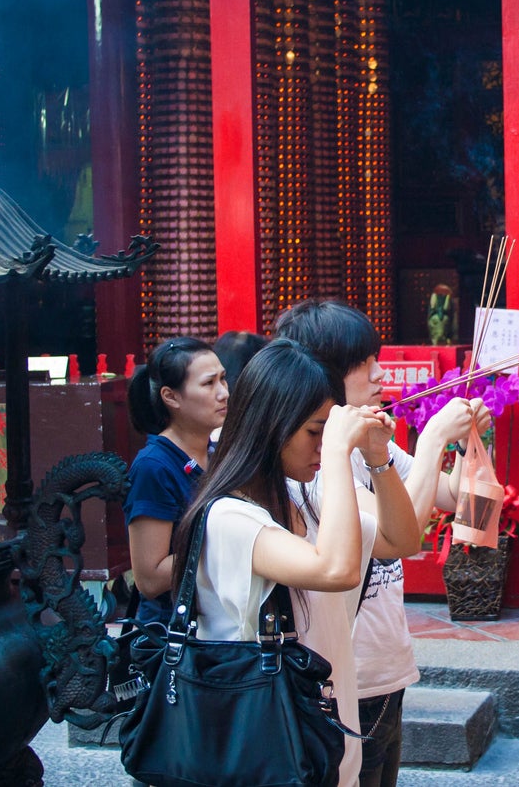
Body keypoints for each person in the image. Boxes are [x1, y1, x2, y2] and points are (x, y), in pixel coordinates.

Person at [170, 338, 416, 787]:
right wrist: (341, 452)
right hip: (268, 752)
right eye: (313, 432)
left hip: (323, 740)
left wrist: (378, 459)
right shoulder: (229, 518)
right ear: (272, 425)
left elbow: (400, 539)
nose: (322, 446)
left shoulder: (303, 501)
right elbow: (335, 571)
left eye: (328, 432)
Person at [274, 299, 492, 787]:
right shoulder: (313, 460)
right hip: (346, 675)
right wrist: (434, 437)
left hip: (387, 665)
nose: (379, 374)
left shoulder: (374, 441)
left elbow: (457, 500)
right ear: (320, 372)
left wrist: (472, 443)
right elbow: (399, 539)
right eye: (365, 363)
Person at [123, 336, 228, 626]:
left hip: (217, 627)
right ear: (171, 397)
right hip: (174, 638)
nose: (223, 393)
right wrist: (232, 546)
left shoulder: (218, 452)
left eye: (223, 380)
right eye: (209, 384)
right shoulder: (154, 467)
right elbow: (150, 577)